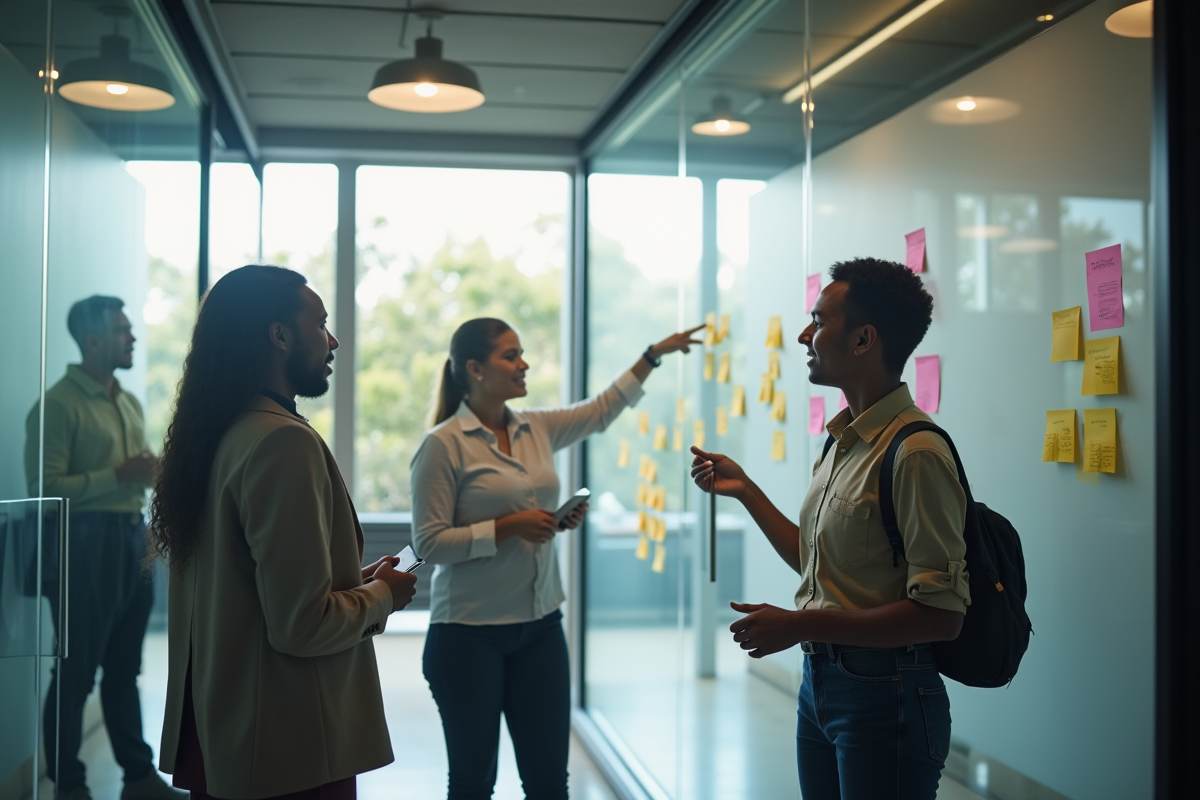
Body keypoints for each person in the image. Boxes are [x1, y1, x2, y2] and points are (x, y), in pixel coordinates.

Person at [690, 257, 970, 800]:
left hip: (885, 692)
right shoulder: (844, 442)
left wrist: (801, 626)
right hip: (822, 685)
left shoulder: (914, 452)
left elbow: (941, 617)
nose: (804, 335)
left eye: (818, 321)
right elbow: (821, 565)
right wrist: (746, 489)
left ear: (864, 340)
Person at [148, 265, 418, 800]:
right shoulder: (281, 443)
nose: (332, 338)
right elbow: (300, 626)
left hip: (224, 732)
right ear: (279, 335)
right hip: (287, 748)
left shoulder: (218, 436)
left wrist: (354, 581)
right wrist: (383, 596)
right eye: (319, 323)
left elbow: (245, 590)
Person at [411, 317, 703, 800]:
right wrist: (509, 528)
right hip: (467, 636)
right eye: (511, 355)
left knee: (549, 783)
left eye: (521, 353)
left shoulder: (536, 428)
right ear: (475, 369)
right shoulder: (442, 444)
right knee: (472, 783)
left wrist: (651, 356)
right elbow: (428, 544)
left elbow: (602, 411)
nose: (523, 363)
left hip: (541, 628)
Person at [23, 295, 183, 800]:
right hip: (81, 542)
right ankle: (68, 786)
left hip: (130, 538)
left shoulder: (128, 401)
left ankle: (138, 778)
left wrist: (149, 475)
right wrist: (119, 475)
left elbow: (135, 476)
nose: (132, 337)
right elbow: (43, 488)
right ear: (92, 340)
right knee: (75, 670)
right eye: (121, 330)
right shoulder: (56, 405)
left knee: (123, 668)